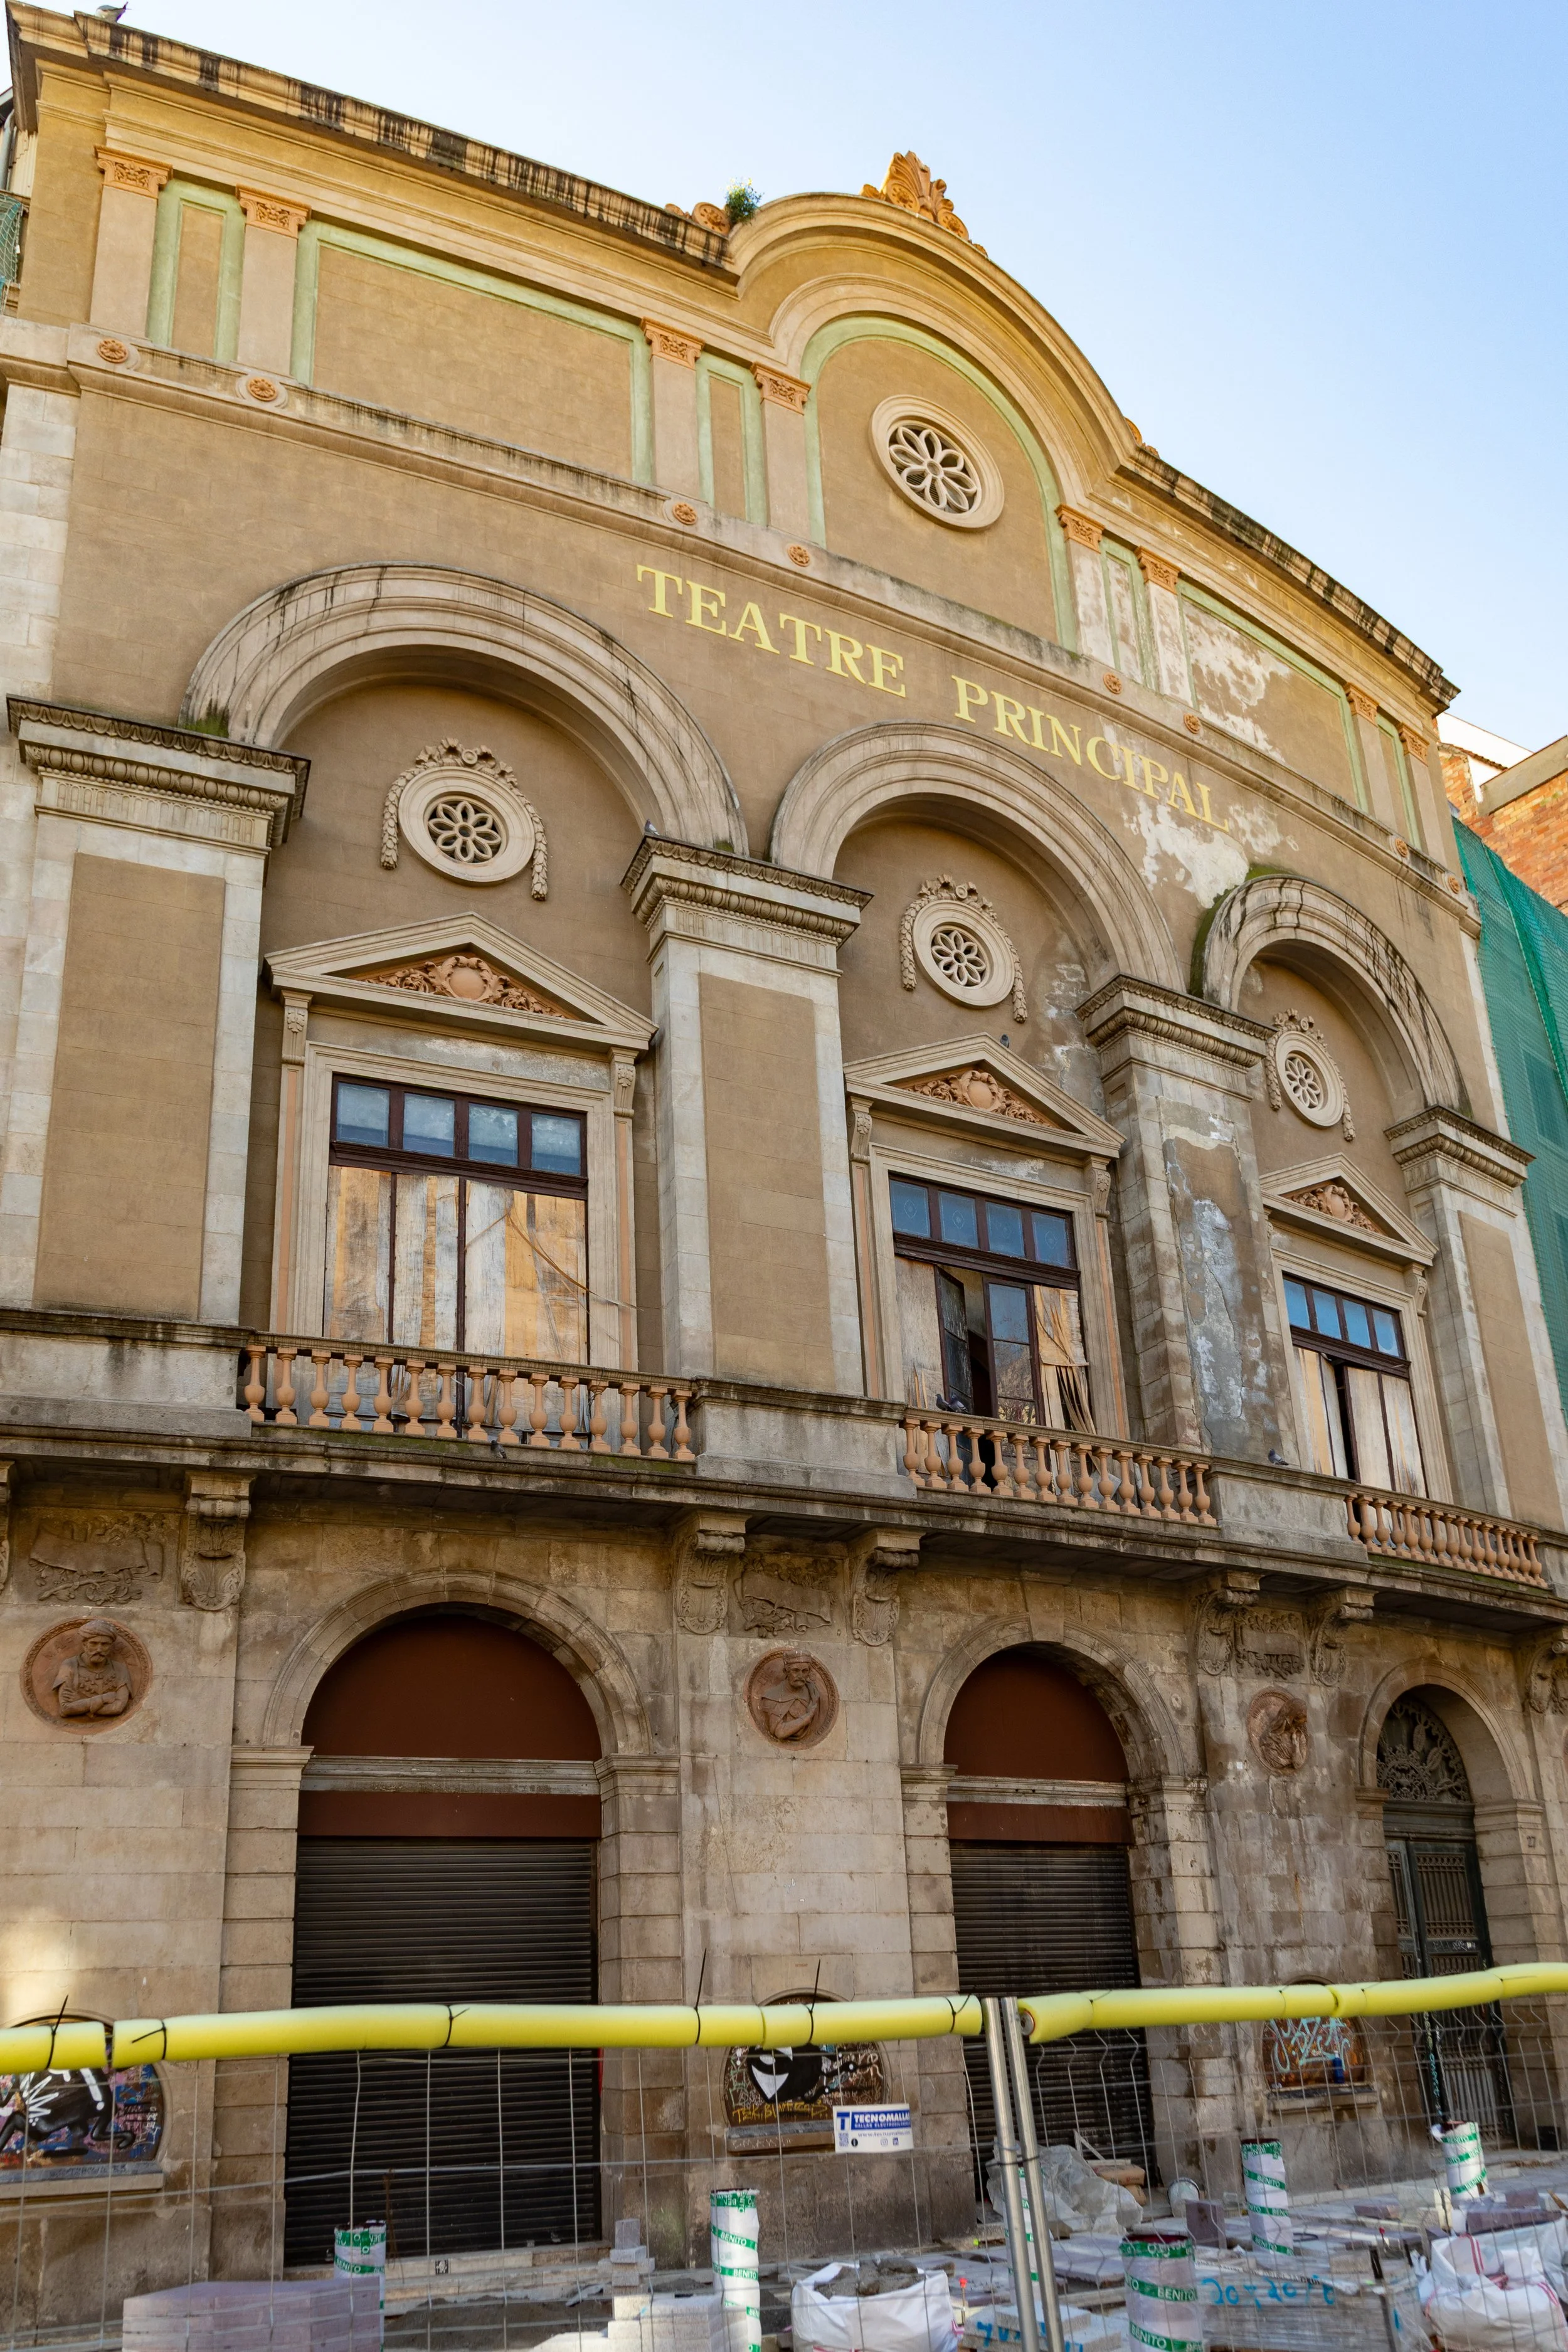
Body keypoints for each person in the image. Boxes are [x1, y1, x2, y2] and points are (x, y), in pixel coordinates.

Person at [53, 1621, 131, 1720]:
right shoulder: (69, 1665)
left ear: (110, 1647)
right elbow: (66, 1709)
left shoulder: (120, 1669)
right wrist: (104, 1699)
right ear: (84, 1645)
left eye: (105, 1644)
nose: (99, 1649)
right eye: (94, 1643)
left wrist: (81, 1703)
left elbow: (118, 1708)